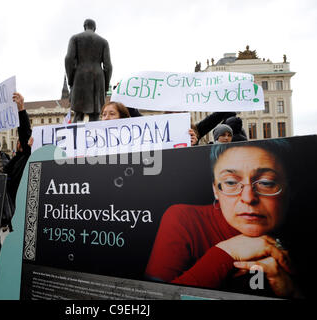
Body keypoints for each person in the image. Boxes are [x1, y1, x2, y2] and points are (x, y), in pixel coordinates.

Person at [145, 140, 303, 298]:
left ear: (291, 190)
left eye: (266, 183)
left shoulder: (303, 232)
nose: (248, 198)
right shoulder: (184, 220)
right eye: (231, 182)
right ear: (215, 190)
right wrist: (227, 252)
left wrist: (293, 293)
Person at [65, 19, 112, 122]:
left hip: (80, 76)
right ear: (94, 28)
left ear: (84, 26)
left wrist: (71, 79)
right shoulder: (103, 42)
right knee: (95, 115)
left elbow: (68, 59)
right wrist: (106, 85)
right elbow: (108, 66)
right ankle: (94, 137)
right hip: (98, 78)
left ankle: (76, 137)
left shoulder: (75, 38)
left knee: (78, 115)